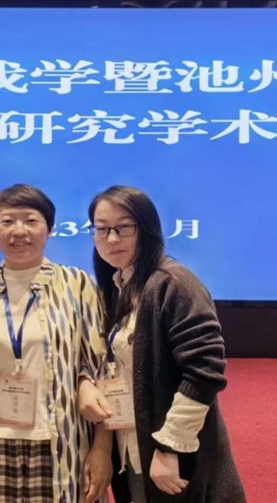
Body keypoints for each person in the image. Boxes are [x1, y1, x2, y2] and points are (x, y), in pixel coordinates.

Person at [0, 184, 112, 503]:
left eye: (31, 220)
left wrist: (102, 448)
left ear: (50, 229)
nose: (19, 231)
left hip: (60, 442)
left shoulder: (77, 284)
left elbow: (99, 368)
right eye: (7, 221)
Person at [80, 185, 246, 503]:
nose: (111, 239)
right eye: (101, 229)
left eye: (123, 228)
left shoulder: (174, 284)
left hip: (173, 454)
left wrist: (170, 447)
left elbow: (204, 371)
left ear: (147, 229)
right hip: (132, 446)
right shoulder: (118, 287)